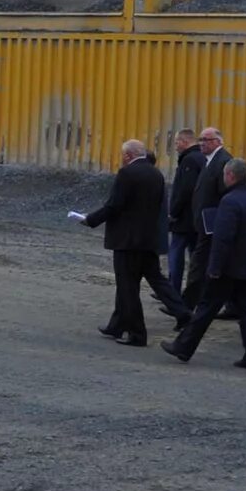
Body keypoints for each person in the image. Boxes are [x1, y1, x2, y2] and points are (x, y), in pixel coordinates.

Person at [76, 138, 184, 344]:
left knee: (127, 287)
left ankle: (137, 333)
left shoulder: (127, 173)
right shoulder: (156, 174)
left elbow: (114, 205)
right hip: (149, 238)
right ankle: (118, 325)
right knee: (151, 280)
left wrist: (89, 220)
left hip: (127, 241)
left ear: (127, 155)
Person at [165, 157, 246, 367]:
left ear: (230, 175)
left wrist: (214, 267)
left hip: (228, 267)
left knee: (205, 308)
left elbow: (222, 238)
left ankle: (183, 347)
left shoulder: (229, 201)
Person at [164, 129, 205, 296]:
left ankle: (172, 290)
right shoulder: (202, 158)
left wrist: (173, 212)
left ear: (184, 141)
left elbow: (185, 190)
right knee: (195, 256)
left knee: (176, 253)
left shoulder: (189, 160)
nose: (175, 147)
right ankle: (193, 290)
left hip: (184, 218)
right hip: (195, 217)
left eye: (176, 143)